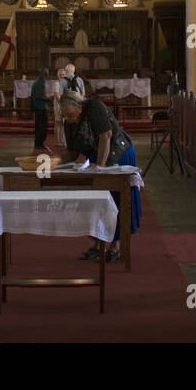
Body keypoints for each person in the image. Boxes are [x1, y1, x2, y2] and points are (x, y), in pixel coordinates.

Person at [59, 89, 141, 262]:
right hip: (98, 158)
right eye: (64, 115)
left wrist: (100, 168)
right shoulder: (69, 123)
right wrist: (51, 162)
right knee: (95, 201)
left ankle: (116, 246)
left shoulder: (94, 107)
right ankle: (98, 244)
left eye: (69, 114)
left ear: (79, 108)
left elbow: (106, 136)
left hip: (118, 153)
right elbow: (72, 154)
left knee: (116, 199)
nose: (67, 119)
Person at [29, 66, 51, 154]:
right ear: (43, 74)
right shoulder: (39, 83)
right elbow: (39, 96)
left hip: (40, 107)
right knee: (41, 126)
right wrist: (49, 99)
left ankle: (40, 143)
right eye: (47, 72)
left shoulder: (39, 81)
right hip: (40, 107)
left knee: (41, 126)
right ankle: (38, 144)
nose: (48, 74)